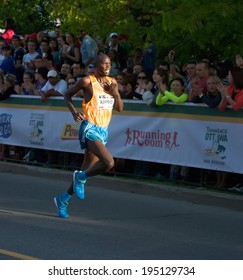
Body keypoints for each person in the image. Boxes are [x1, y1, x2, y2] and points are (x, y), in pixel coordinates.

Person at [54, 53, 123, 218]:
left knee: (86, 169)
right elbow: (67, 95)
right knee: (108, 162)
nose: (107, 67)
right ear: (96, 65)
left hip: (103, 130)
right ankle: (80, 177)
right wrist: (74, 112)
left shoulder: (113, 83)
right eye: (104, 64)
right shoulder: (87, 81)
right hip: (89, 128)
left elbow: (119, 108)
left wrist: (116, 93)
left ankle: (62, 199)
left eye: (109, 64)